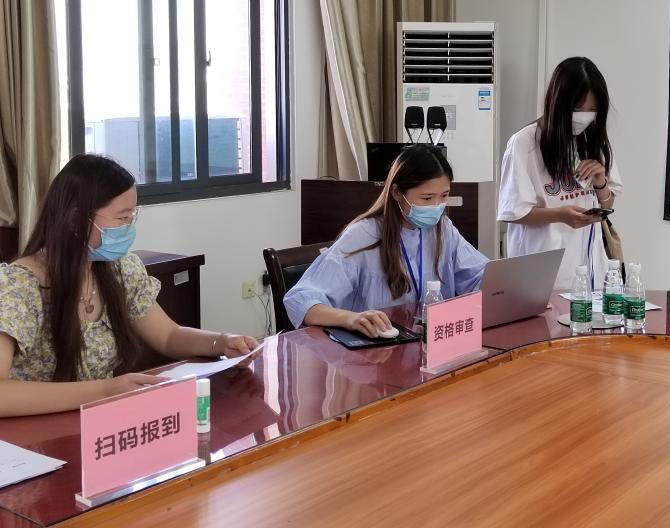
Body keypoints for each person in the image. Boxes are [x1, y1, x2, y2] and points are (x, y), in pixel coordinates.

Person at [0, 154, 260, 417]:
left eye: (132, 217)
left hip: (102, 422)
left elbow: (169, 335)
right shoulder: (18, 287)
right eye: (122, 218)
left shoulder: (119, 269)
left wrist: (220, 342)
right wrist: (105, 391)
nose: (128, 228)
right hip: (37, 430)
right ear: (75, 219)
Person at [284, 144, 487, 337]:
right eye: (426, 198)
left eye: (444, 195)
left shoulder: (443, 229)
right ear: (397, 193)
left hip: (431, 343)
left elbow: (480, 277)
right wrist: (351, 318)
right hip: (375, 350)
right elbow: (301, 300)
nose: (436, 206)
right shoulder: (364, 235)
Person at [499, 57, 623, 288]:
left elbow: (607, 204)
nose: (584, 117)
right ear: (558, 102)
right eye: (577, 109)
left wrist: (600, 183)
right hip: (541, 271)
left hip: (590, 270)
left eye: (592, 110)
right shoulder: (525, 143)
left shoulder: (593, 141)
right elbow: (514, 212)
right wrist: (560, 215)